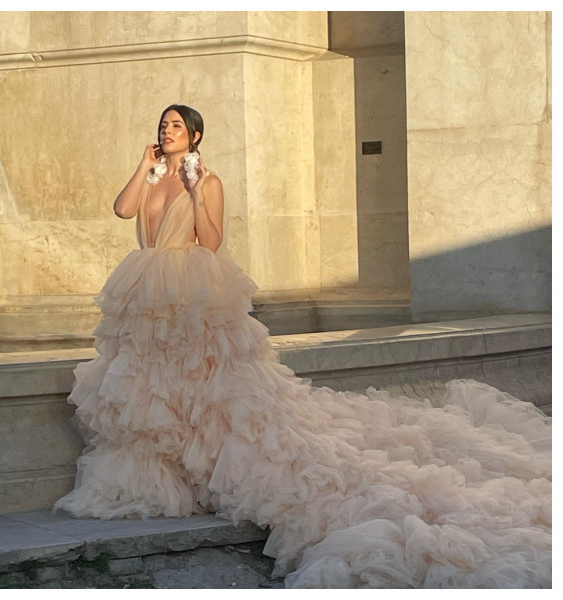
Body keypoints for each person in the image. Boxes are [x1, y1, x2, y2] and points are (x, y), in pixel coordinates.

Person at [54, 104, 551, 588]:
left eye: (177, 126)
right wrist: (143, 166)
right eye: (164, 125)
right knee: (151, 383)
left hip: (190, 285)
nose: (168, 131)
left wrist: (194, 191)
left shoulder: (207, 180)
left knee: (202, 380)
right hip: (144, 285)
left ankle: (206, 471)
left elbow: (212, 241)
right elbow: (123, 210)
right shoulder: (151, 176)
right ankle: (165, 474)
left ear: (196, 136)